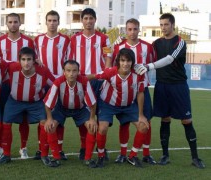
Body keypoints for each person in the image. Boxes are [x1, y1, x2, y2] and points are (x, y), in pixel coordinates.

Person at [135, 13, 205, 169]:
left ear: (173, 25)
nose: (163, 28)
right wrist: (123, 41)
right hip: (162, 85)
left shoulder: (180, 42)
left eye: (166, 24)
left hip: (178, 86)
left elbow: (169, 59)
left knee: (186, 121)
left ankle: (195, 157)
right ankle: (165, 155)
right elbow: (143, 50)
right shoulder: (156, 43)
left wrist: (149, 67)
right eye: (161, 25)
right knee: (165, 119)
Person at [0, 47, 60, 167]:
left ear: (34, 60)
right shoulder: (12, 67)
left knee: (44, 123)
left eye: (29, 59)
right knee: (5, 123)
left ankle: (44, 155)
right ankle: (6, 154)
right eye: (23, 59)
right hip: (14, 101)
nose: (26, 63)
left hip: (35, 102)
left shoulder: (43, 70)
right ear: (19, 60)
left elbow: (56, 84)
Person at [87, 48, 149, 168]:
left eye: (129, 61)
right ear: (118, 61)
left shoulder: (139, 74)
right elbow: (94, 76)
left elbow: (140, 93)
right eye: (123, 60)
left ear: (133, 62)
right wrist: (78, 79)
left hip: (128, 106)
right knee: (103, 128)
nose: (125, 64)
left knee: (144, 126)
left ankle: (132, 156)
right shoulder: (110, 72)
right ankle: (101, 156)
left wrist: (141, 115)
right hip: (107, 104)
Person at [68, 7, 112, 160]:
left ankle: (101, 148)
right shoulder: (74, 39)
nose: (88, 21)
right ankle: (83, 147)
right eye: (85, 18)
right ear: (82, 20)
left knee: (99, 116)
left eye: (91, 18)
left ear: (95, 20)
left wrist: (104, 74)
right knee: (85, 116)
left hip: (98, 82)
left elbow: (108, 57)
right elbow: (71, 60)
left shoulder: (104, 38)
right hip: (81, 82)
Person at [111, 18, 156, 165]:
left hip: (142, 88)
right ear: (125, 30)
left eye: (135, 29)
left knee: (146, 120)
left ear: (139, 29)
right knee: (124, 122)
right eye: (129, 29)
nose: (132, 32)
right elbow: (113, 66)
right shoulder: (118, 47)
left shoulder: (147, 47)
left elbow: (151, 63)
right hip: (125, 89)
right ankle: (123, 154)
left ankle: (146, 154)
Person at [0, 13, 34, 160]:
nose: (13, 24)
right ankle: (0, 147)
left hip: (24, 84)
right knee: (3, 117)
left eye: (16, 22)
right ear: (6, 24)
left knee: (24, 118)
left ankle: (23, 148)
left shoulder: (28, 42)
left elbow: (33, 61)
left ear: (20, 23)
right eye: (10, 22)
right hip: (4, 84)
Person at [43, 60, 97, 168]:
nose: (71, 74)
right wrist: (49, 119)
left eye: (74, 71)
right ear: (64, 71)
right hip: (61, 108)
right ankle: (56, 157)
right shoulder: (58, 82)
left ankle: (87, 158)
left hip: (80, 109)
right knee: (51, 126)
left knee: (92, 127)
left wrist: (92, 119)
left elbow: (93, 103)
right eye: (68, 71)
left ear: (78, 71)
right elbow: (48, 104)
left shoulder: (84, 81)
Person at [34, 10, 70, 160]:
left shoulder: (66, 40)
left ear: (58, 22)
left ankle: (59, 149)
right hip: (43, 84)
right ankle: (40, 148)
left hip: (60, 83)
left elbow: (69, 61)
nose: (52, 23)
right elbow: (34, 60)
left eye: (55, 20)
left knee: (59, 118)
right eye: (50, 20)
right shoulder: (37, 40)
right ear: (46, 22)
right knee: (43, 117)